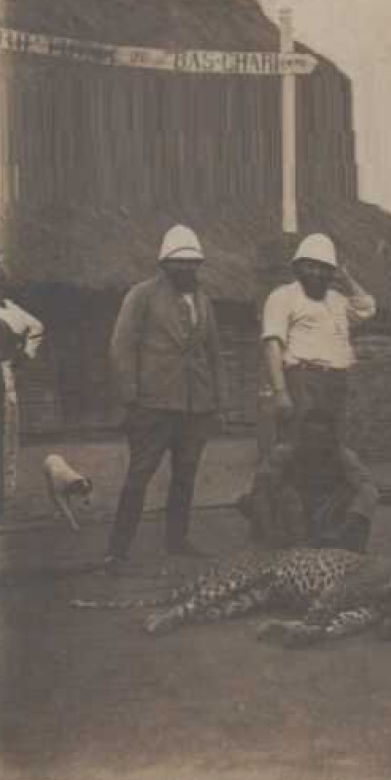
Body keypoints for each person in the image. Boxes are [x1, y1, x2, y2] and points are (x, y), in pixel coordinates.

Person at [104, 225, 227, 570]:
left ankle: (177, 540)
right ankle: (118, 549)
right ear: (164, 263)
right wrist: (131, 397)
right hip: (153, 404)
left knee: (186, 473)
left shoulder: (204, 301)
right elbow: (121, 346)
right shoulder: (141, 295)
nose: (187, 269)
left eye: (193, 262)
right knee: (139, 474)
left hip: (196, 405)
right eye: (179, 262)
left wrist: (218, 401)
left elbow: (214, 354)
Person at [261, 232, 378, 439]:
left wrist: (347, 279)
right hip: (302, 380)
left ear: (332, 273)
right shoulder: (283, 296)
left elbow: (367, 309)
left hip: (336, 381)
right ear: (298, 268)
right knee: (297, 444)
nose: (317, 273)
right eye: (311, 266)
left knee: (334, 444)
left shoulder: (338, 300)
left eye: (324, 268)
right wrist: (280, 391)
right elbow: (272, 346)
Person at [242, 408, 378, 552]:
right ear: (301, 436)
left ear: (330, 439)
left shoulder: (342, 456)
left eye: (320, 438)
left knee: (353, 494)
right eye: (309, 437)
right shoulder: (284, 454)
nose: (314, 444)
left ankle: (336, 542)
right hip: (292, 516)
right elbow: (262, 488)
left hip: (326, 518)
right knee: (257, 498)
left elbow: (367, 489)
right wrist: (269, 529)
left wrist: (350, 521)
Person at [0, 246, 45, 521]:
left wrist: (23, 355)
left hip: (1, 377)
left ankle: (3, 499)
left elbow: (36, 328)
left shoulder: (10, 310)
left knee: (7, 436)